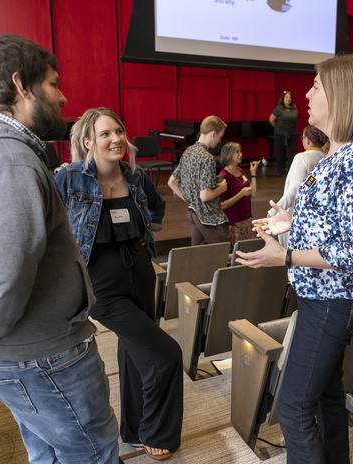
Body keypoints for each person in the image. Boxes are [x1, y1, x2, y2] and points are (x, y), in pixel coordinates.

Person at [0, 34, 120, 464]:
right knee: (93, 454)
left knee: (48, 454)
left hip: (21, 355)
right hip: (42, 357)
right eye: (53, 83)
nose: (64, 96)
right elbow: (4, 274)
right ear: (21, 87)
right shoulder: (7, 161)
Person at [236, 54, 353, 464]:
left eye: (317, 87)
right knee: (325, 396)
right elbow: (339, 223)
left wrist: (285, 255)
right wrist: (292, 221)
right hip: (325, 296)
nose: (306, 93)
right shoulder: (345, 154)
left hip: (334, 300)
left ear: (341, 95)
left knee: (292, 407)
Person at [53, 108, 181, 460]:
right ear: (88, 141)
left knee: (135, 350)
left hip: (140, 270)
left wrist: (145, 233)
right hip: (100, 282)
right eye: (106, 133)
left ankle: (135, 429)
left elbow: (157, 208)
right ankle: (157, 430)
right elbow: (47, 222)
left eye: (119, 131)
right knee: (165, 352)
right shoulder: (68, 178)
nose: (116, 139)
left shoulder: (136, 177)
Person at [167, 115, 230, 245]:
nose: (219, 141)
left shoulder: (189, 151)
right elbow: (205, 195)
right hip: (209, 217)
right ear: (213, 134)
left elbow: (172, 182)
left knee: (198, 258)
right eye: (220, 137)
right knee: (223, 255)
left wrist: (191, 201)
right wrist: (222, 188)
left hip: (193, 212)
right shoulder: (207, 158)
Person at [268, 124, 328, 249]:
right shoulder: (327, 158)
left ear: (307, 139)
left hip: (295, 217)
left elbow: (295, 189)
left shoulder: (302, 157)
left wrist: (274, 211)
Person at [218, 142, 260, 245]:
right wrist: (240, 194)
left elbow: (252, 194)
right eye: (237, 152)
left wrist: (253, 174)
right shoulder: (224, 176)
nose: (241, 154)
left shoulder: (240, 171)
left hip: (247, 219)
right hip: (234, 223)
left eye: (240, 151)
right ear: (229, 154)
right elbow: (222, 205)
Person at [269, 90, 299, 176]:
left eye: (290, 97)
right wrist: (278, 127)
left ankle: (291, 170)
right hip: (280, 134)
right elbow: (271, 120)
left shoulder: (294, 107)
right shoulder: (279, 108)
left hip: (292, 132)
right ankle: (281, 171)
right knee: (280, 153)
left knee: (292, 153)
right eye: (286, 97)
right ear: (283, 99)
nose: (288, 99)